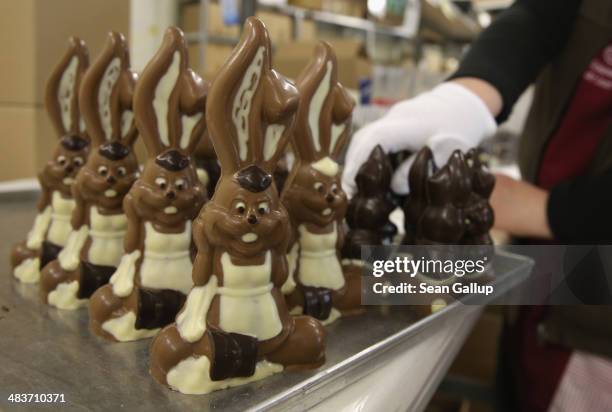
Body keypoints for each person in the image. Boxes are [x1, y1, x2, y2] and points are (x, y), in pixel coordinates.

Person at [342, 1, 612, 411]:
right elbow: (541, 16)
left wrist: (549, 210)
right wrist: (466, 96)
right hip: (540, 285)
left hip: (596, 334)